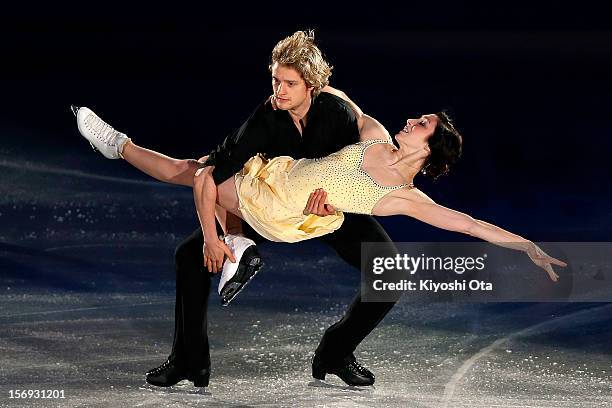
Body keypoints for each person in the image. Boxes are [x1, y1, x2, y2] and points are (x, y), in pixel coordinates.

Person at [73, 30, 409, 388]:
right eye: (275, 80)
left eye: (289, 84)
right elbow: (208, 178)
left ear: (312, 85)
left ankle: (336, 351)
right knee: (190, 244)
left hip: (329, 208)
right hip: (274, 203)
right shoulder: (267, 117)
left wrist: (340, 195)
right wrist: (214, 239)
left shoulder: (338, 112)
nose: (279, 90)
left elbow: (375, 144)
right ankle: (189, 361)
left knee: (389, 273)